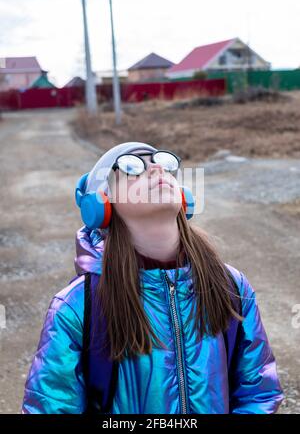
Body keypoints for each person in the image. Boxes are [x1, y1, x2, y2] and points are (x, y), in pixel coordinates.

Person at [22, 141, 284, 414]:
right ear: (101, 204)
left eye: (161, 162)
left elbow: (259, 393)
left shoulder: (231, 285)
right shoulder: (77, 306)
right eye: (132, 167)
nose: (156, 169)